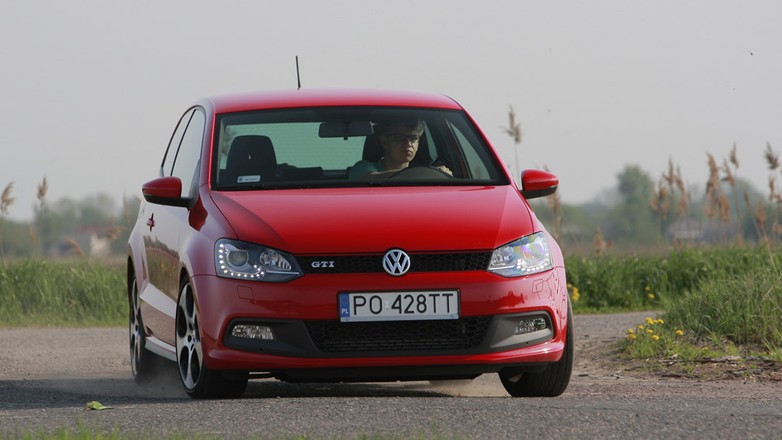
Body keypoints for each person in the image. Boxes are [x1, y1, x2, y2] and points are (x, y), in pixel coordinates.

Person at [348, 118, 451, 179]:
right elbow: (371, 179)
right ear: (384, 142)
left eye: (413, 138)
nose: (408, 143)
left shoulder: (426, 176)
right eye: (399, 137)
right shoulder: (362, 167)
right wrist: (429, 173)